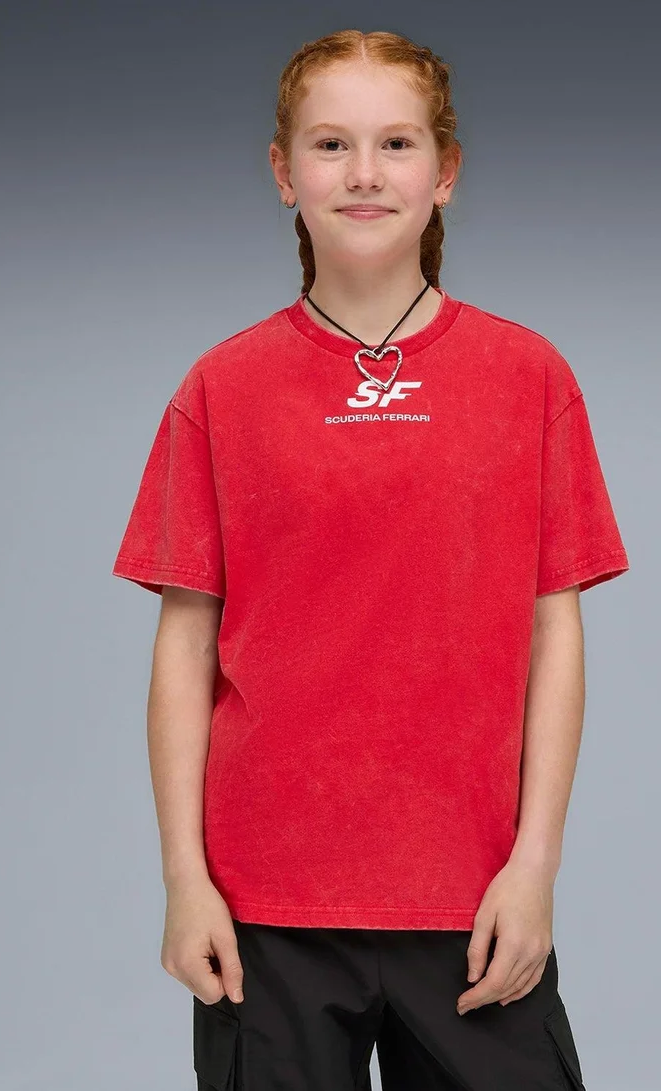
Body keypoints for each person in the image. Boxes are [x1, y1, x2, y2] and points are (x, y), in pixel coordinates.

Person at [112, 27, 629, 1091]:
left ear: (445, 171)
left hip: (473, 898)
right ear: (282, 171)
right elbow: (183, 647)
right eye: (329, 144)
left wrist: (534, 867)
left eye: (395, 143)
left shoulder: (527, 377)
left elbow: (555, 634)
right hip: (266, 909)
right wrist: (184, 880)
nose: (362, 174)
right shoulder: (221, 388)